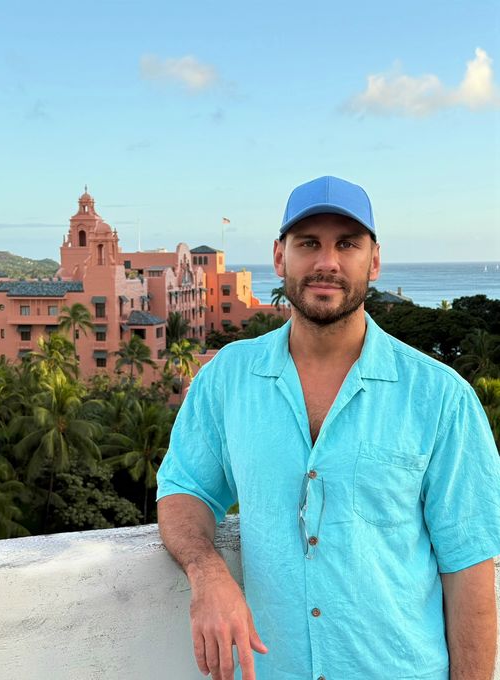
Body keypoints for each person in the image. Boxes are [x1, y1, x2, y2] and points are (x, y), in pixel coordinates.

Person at [157, 175, 500, 680]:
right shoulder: (228, 378)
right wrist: (207, 572)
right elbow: (186, 488)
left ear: (374, 261)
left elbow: (468, 569)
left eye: (347, 244)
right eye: (308, 243)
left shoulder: (441, 398)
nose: (327, 262)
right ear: (280, 257)